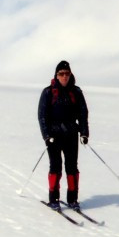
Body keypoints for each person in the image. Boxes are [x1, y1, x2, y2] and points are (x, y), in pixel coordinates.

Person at [37, 60, 89, 210]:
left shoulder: (76, 92)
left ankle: (73, 199)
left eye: (67, 74)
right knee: (56, 166)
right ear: (57, 75)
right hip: (54, 136)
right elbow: (42, 116)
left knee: (72, 168)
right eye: (61, 74)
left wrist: (84, 133)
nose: (64, 76)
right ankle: (54, 199)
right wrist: (46, 136)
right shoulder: (48, 92)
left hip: (71, 134)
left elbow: (83, 113)